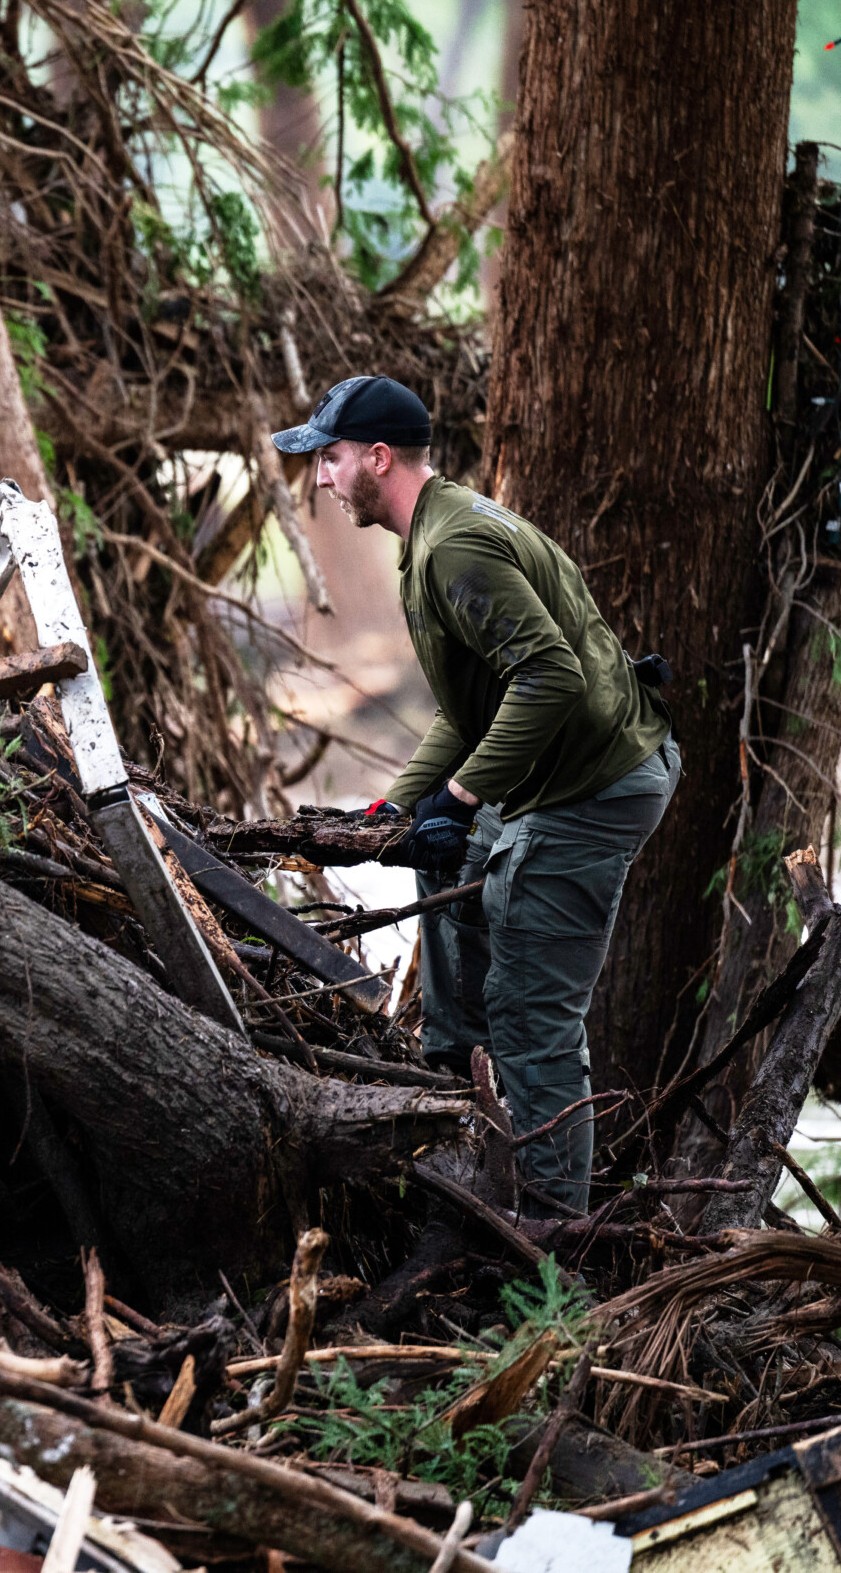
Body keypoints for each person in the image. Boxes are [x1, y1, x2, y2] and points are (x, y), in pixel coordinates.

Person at [273, 376, 678, 1215]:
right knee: (445, 859)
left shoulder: (453, 547)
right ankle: (456, 1083)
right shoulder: (435, 534)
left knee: (533, 1015)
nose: (320, 477)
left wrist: (456, 798)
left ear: (377, 459)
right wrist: (401, 808)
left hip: (592, 788)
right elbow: (476, 711)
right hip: (560, 771)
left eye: (331, 457)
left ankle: (546, 1232)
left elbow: (550, 679)